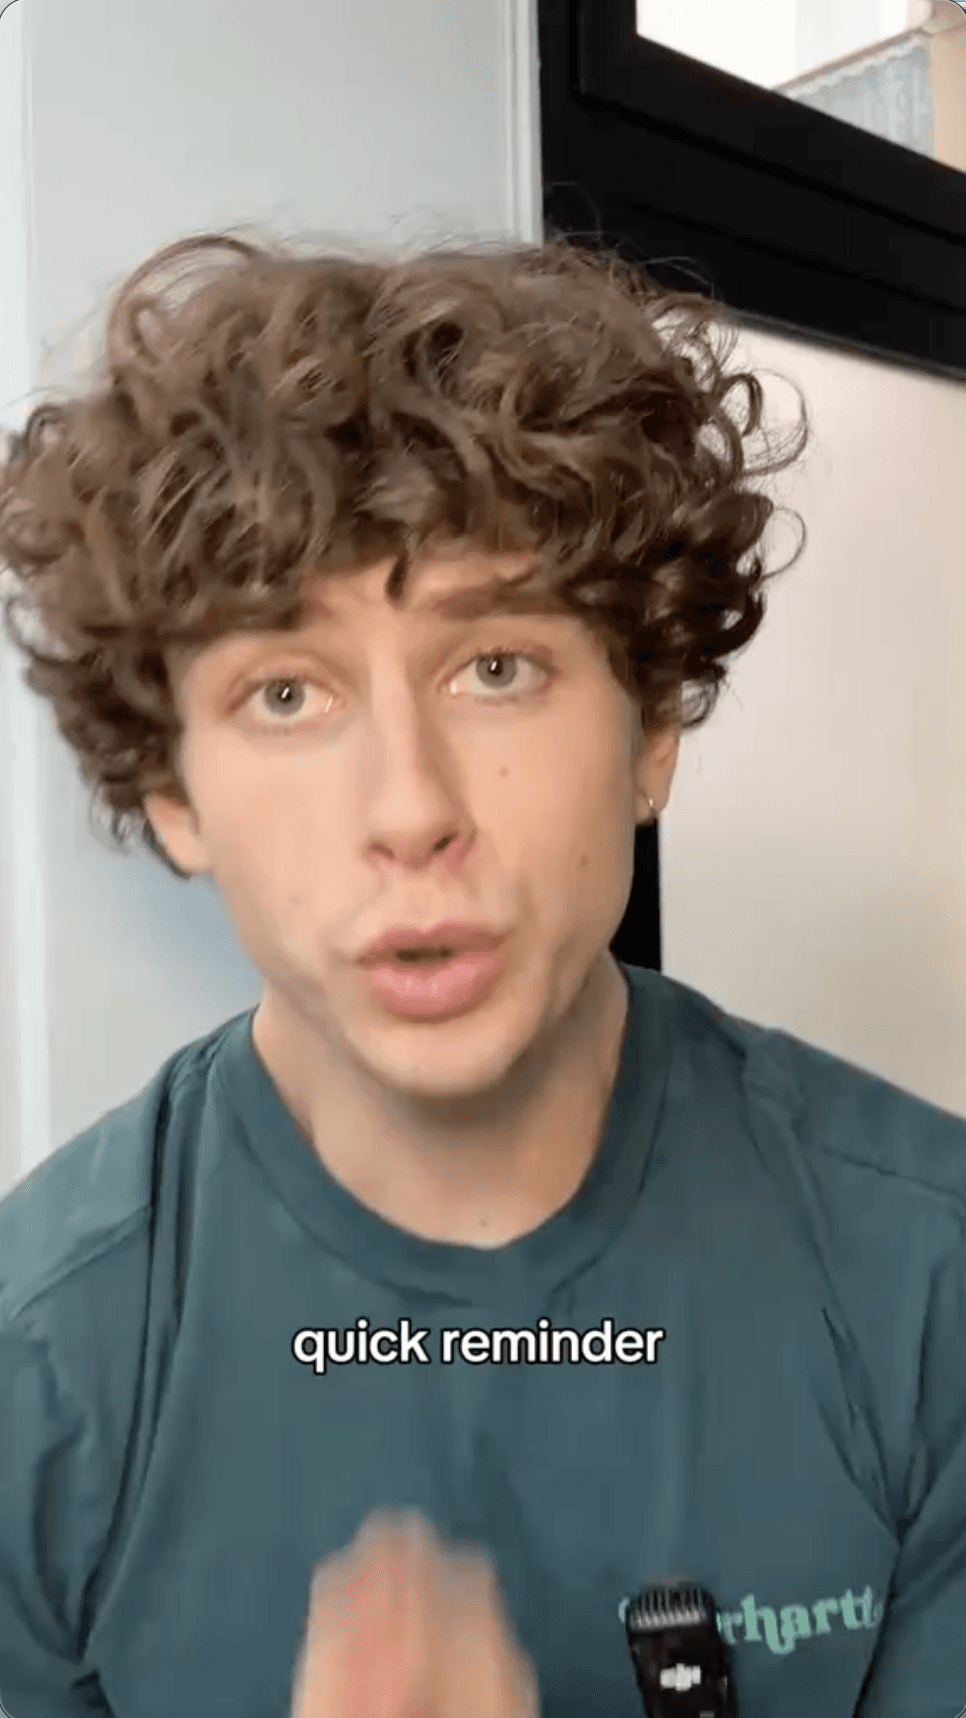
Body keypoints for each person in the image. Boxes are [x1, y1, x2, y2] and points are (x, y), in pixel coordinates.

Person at [0, 228, 963, 1718]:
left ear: (651, 727)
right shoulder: (39, 1373)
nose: (411, 808)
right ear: (171, 790)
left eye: (496, 667)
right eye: (285, 691)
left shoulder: (931, 1284)